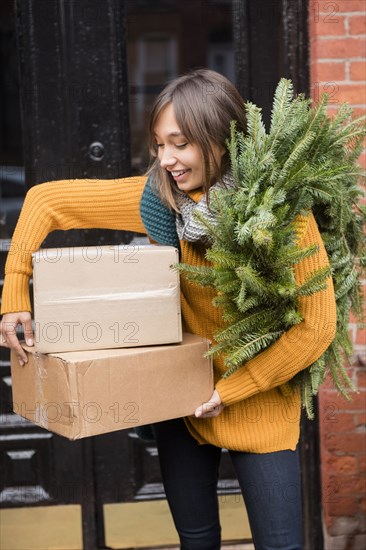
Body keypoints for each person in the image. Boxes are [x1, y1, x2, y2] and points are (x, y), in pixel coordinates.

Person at [0, 69, 336, 550]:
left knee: (280, 545)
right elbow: (45, 201)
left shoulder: (280, 215)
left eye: (180, 144)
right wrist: (15, 294)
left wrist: (236, 387)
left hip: (259, 396)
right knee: (196, 539)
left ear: (222, 139)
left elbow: (316, 325)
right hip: (180, 397)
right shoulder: (161, 202)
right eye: (159, 145)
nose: (167, 160)